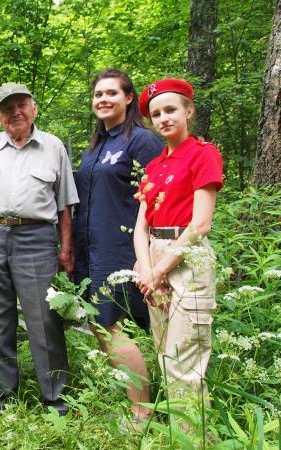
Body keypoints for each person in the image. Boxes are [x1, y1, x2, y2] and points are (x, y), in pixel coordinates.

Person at [0, 83, 79, 419]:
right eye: (7, 108)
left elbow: (65, 206)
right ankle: (1, 397)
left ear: (34, 109)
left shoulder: (53, 147)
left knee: (44, 319)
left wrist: (65, 249)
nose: (15, 112)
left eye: (21, 105)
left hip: (37, 238)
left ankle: (56, 398)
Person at [73, 69, 163, 425]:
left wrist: (147, 254)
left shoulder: (141, 141)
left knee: (111, 326)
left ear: (128, 98)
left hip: (122, 249)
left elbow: (159, 198)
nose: (103, 99)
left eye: (111, 92)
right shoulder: (96, 147)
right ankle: (137, 398)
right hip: (91, 249)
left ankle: (142, 411)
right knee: (103, 325)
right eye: (98, 94)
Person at [133, 78, 222, 413]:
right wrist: (145, 270)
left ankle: (194, 440)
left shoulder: (203, 154)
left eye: (170, 109)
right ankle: (180, 434)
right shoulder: (154, 166)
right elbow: (140, 227)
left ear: (189, 111)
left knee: (184, 359)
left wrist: (159, 270)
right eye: (156, 114)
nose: (163, 118)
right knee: (165, 353)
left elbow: (201, 223)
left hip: (187, 257)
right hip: (154, 258)